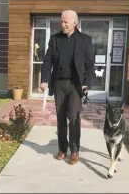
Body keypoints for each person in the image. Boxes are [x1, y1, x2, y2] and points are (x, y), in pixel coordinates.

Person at [40, 10, 94, 165]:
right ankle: (63, 148)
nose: (62, 24)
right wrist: (44, 80)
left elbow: (90, 65)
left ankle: (75, 150)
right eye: (61, 22)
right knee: (61, 117)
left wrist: (87, 83)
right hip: (58, 84)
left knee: (74, 117)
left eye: (65, 22)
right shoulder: (55, 39)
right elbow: (47, 61)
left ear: (74, 23)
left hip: (76, 85)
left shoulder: (85, 40)